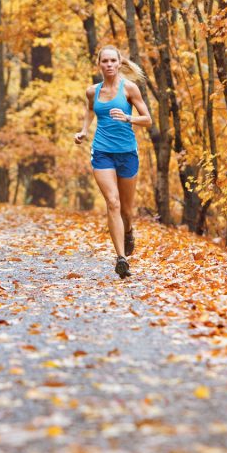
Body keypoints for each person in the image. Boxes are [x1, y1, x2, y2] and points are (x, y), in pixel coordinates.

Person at [74, 45, 152, 278]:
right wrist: (84, 131)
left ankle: (128, 231)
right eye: (104, 61)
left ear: (119, 64)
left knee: (127, 210)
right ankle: (121, 258)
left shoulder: (129, 88)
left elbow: (147, 119)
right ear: (99, 64)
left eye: (112, 61)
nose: (108, 64)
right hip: (102, 152)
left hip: (127, 152)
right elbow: (90, 110)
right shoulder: (92, 91)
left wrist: (128, 117)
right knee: (112, 202)